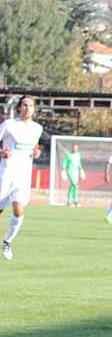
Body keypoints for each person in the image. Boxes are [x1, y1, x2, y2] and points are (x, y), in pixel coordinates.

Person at [0, 96, 43, 260]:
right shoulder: (9, 125)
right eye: (24, 105)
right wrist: (1, 153)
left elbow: (34, 146)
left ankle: (7, 242)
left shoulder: (37, 128)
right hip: (6, 174)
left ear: (34, 109)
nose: (27, 108)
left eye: (31, 105)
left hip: (24, 177)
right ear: (19, 108)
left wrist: (37, 151)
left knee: (19, 211)